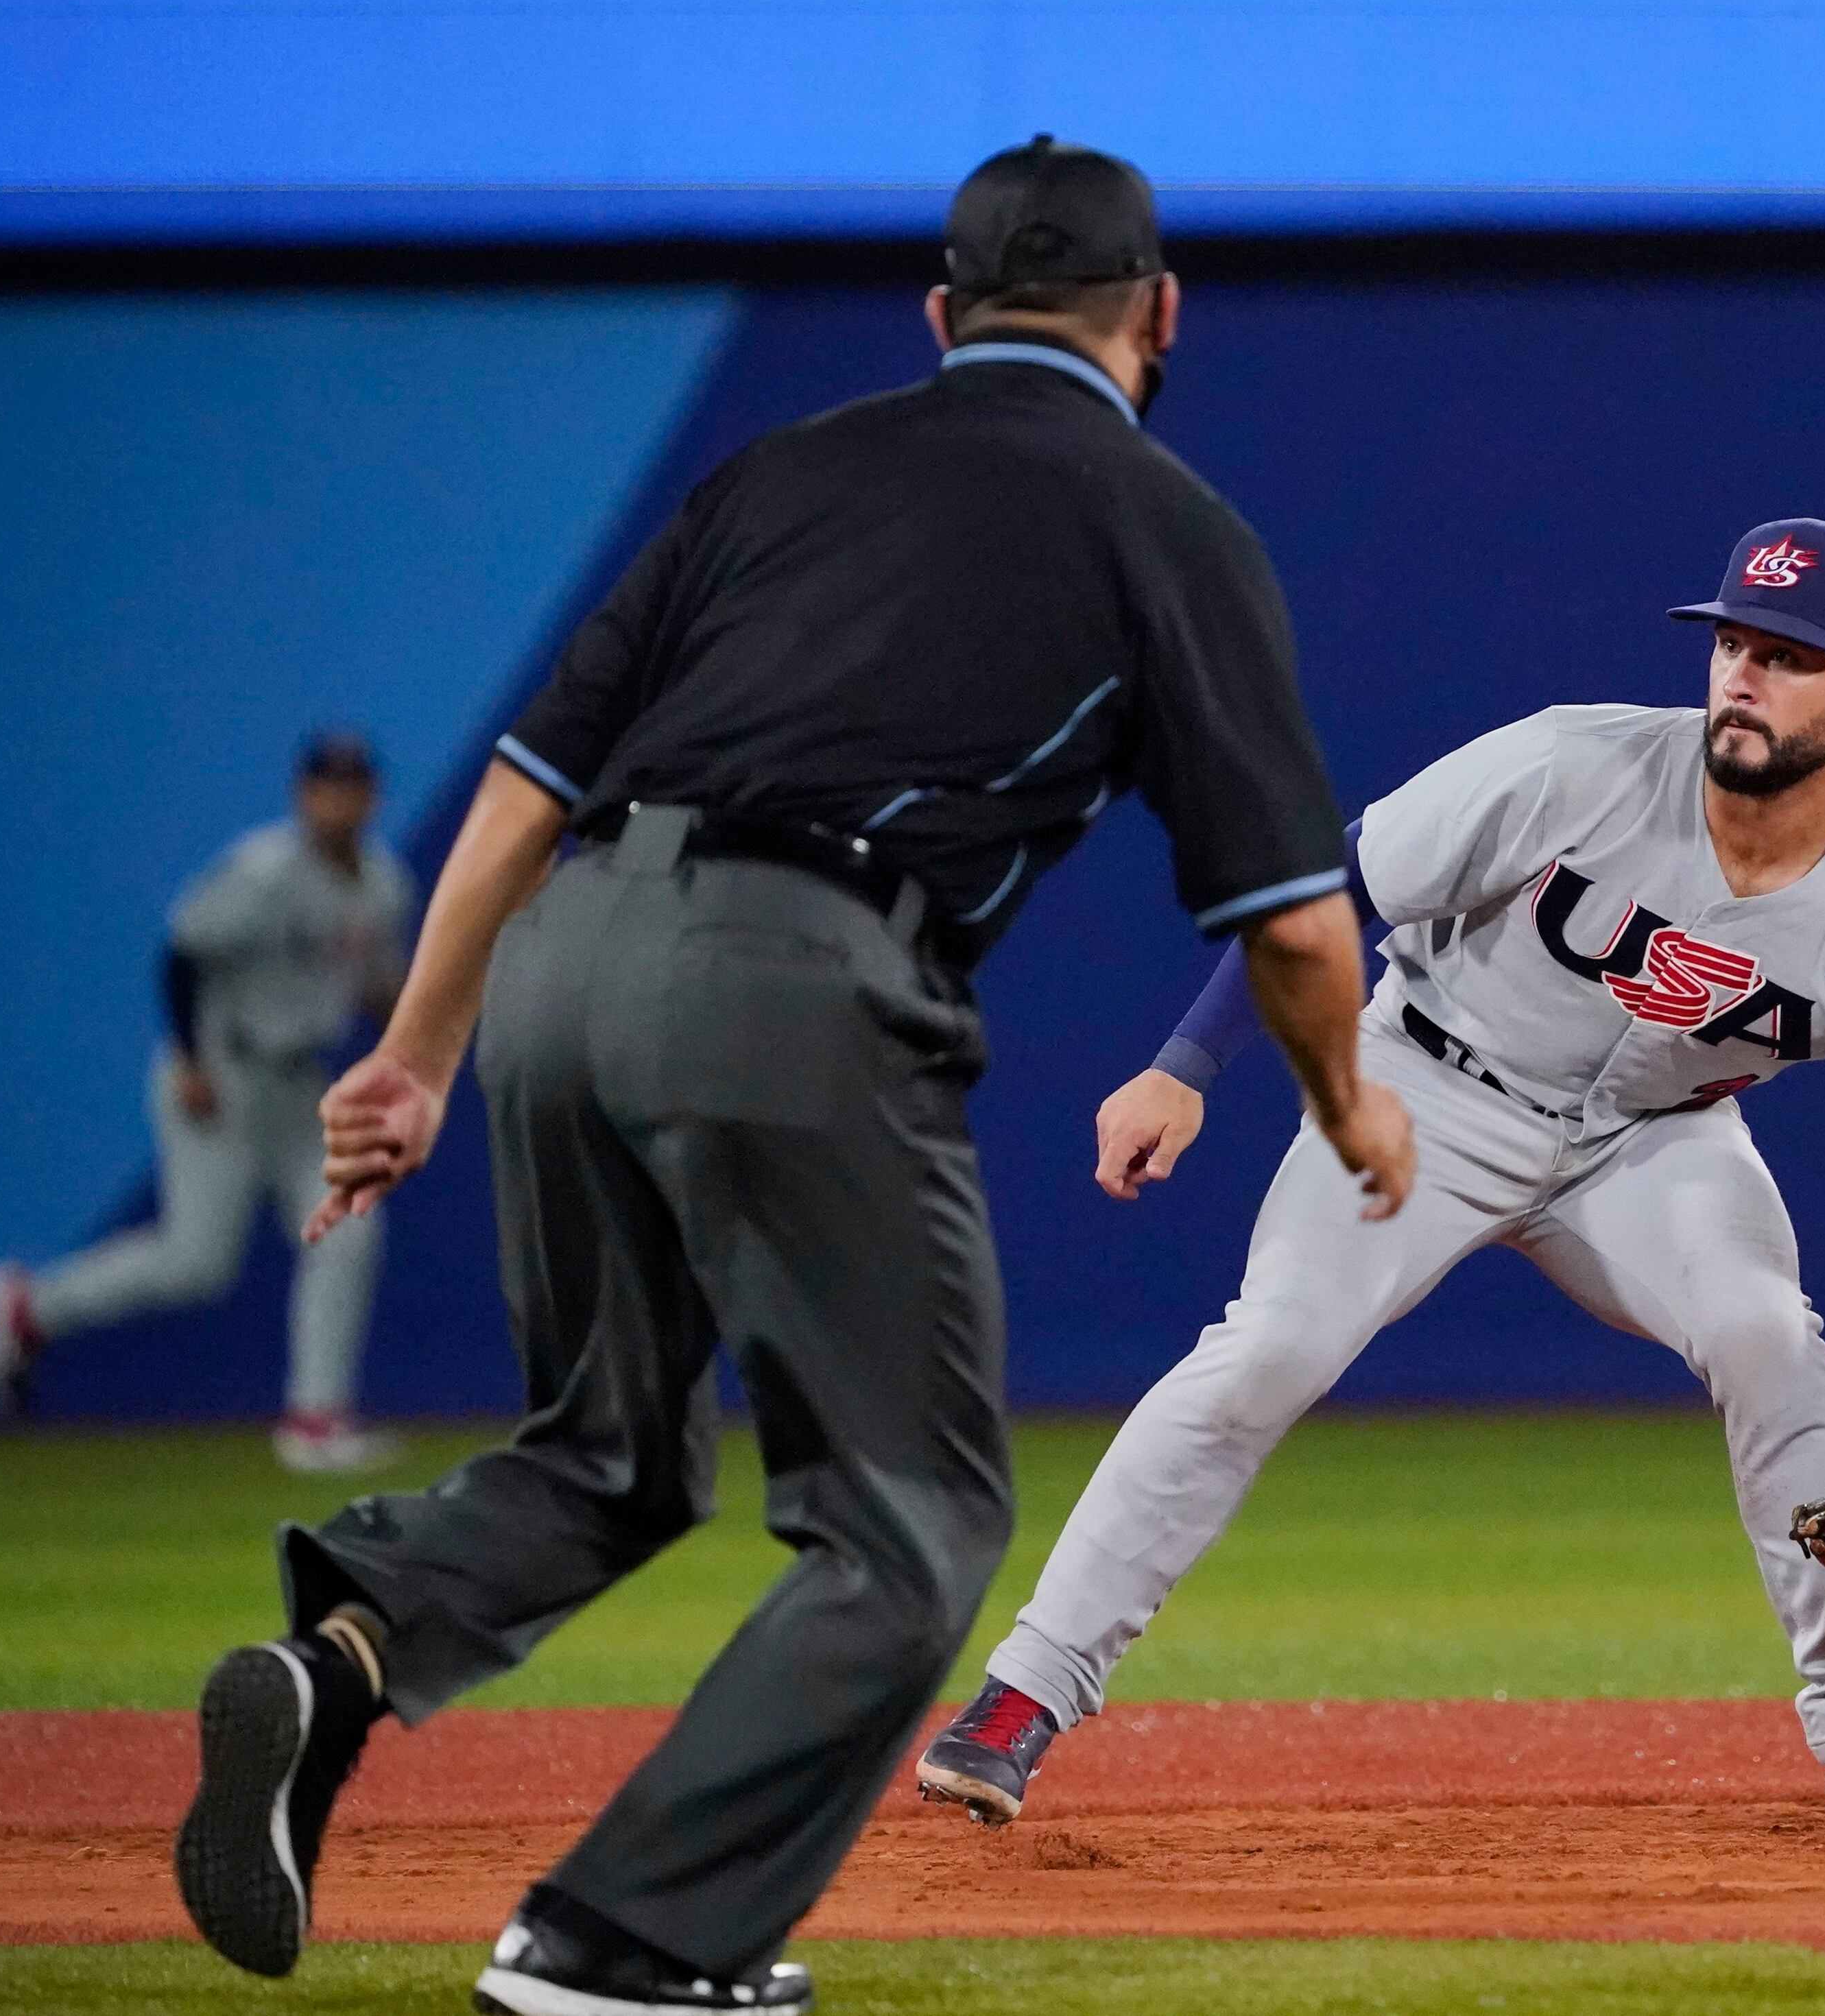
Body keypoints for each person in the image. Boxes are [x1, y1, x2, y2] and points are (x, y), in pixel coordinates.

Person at [165, 136, 1416, 2013]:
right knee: (912, 1525)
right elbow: (1303, 928)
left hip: (566, 956)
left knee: (607, 1454)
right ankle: (618, 1943)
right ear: (1163, 314)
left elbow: (522, 790)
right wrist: (1348, 1104)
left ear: (940, 314)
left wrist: (415, 1056)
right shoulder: (1166, 523)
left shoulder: (774, 473)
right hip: (801, 973)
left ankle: (341, 1658)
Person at [916, 517, 1825, 1854]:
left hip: (1652, 1142)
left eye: (1788, 655)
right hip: (1425, 1084)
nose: (1741, 675)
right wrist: (1186, 1060)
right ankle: (1023, 1694)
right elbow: (1334, 881)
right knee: (1273, 1346)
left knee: (1773, 1338)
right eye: (1732, 641)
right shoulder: (1573, 762)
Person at [0, 731, 412, 1472]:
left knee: (351, 1225)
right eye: (325, 785)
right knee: (197, 1264)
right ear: (303, 794)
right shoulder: (264, 871)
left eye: (353, 785)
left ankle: (316, 1419)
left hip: (300, 1079)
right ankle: (33, 1307)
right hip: (222, 1070)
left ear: (372, 796)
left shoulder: (383, 884)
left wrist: (422, 1046)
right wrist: (188, 1060)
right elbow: (182, 954)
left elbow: (378, 988)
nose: (339, 799)